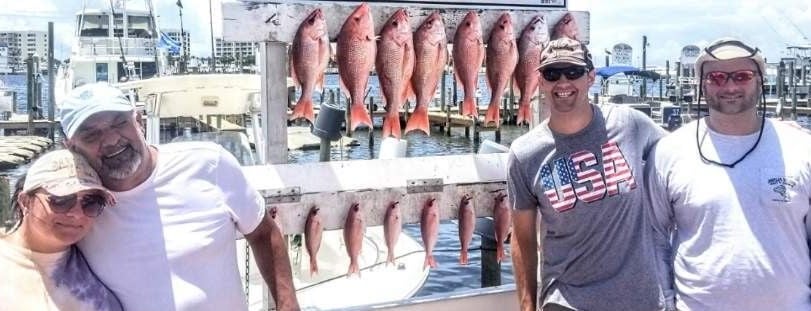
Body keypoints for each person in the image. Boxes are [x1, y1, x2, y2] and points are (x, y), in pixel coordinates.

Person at [58, 83, 300, 311]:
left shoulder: (210, 164)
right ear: (71, 147)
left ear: (139, 121)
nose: (111, 140)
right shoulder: (75, 208)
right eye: (91, 135)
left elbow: (263, 233)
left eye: (119, 123)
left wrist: (288, 305)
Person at [646, 37, 811, 311]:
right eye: (717, 77)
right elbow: (654, 238)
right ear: (702, 84)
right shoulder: (669, 151)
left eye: (742, 76)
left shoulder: (802, 148)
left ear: (760, 81)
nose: (730, 86)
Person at [508, 37, 668, 311]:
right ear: (541, 81)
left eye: (573, 72)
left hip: (642, 299)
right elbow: (522, 239)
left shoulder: (630, 124)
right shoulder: (524, 153)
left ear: (590, 77)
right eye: (552, 73)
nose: (563, 82)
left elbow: (680, 160)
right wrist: (527, 305)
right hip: (565, 301)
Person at [0, 149, 122, 311]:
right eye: (61, 200)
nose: (77, 214)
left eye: (91, 202)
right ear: (25, 202)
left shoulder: (102, 263)